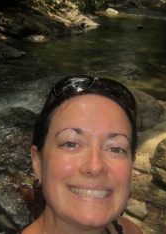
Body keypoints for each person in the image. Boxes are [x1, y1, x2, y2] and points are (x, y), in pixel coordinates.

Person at [19, 75, 143, 234]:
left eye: (116, 149)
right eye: (71, 144)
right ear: (37, 163)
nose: (95, 166)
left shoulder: (129, 231)